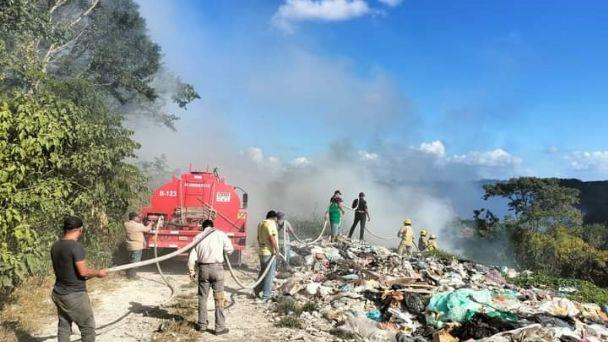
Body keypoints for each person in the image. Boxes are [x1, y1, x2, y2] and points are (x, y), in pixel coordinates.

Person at [51, 216, 108, 342]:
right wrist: (98, 273)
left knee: (64, 326)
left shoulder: (55, 246)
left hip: (58, 293)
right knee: (87, 327)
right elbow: (83, 273)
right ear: (80, 230)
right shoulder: (76, 247)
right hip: (74, 295)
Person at [187, 219, 233, 335]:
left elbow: (192, 257)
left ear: (203, 228)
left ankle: (202, 325)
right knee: (219, 298)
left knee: (202, 298)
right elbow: (230, 249)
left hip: (203, 270)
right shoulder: (220, 234)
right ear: (213, 226)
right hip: (217, 269)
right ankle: (219, 328)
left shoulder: (198, 237)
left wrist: (192, 271)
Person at [254, 210, 279, 303]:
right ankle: (266, 295)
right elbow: (271, 237)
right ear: (275, 218)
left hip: (262, 252)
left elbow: (257, 237)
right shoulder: (271, 224)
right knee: (269, 275)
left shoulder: (261, 224)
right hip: (269, 253)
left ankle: (256, 290)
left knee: (263, 273)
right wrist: (276, 249)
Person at [124, 212, 152, 279]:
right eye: (137, 217)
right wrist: (150, 224)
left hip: (129, 245)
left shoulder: (126, 224)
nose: (138, 218)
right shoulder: (137, 225)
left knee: (131, 259)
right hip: (137, 246)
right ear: (134, 218)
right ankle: (132, 275)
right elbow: (147, 229)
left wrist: (141, 221)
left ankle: (129, 273)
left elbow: (139, 231)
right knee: (135, 261)